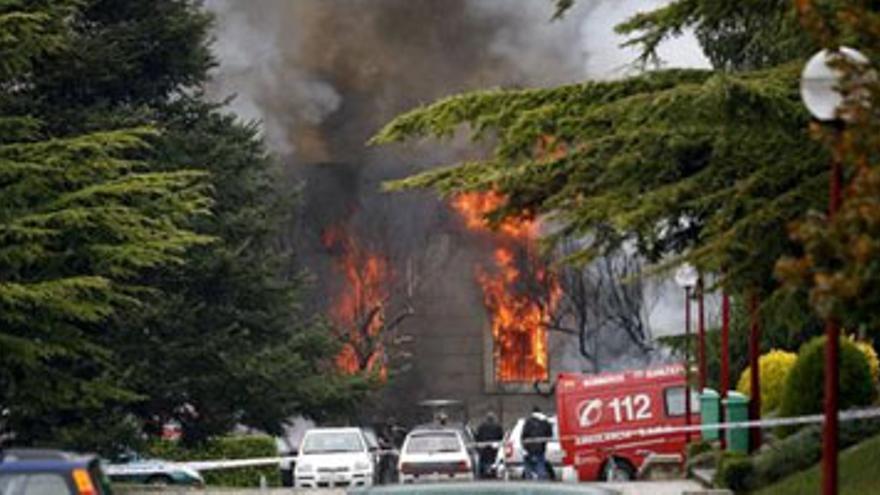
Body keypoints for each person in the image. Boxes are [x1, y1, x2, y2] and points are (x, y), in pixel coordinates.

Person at [520, 406, 554, 480]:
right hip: (540, 448)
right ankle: (541, 482)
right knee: (540, 465)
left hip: (528, 448)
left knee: (528, 466)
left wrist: (524, 447)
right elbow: (550, 434)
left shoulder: (528, 422)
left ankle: (528, 480)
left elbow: (523, 435)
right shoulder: (545, 422)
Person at [475, 411, 504, 479]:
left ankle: (484, 473)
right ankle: (492, 472)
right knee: (493, 461)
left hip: (484, 448)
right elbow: (501, 436)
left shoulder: (481, 426)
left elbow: (477, 437)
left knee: (484, 462)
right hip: (494, 448)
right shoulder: (498, 426)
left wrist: (479, 446)